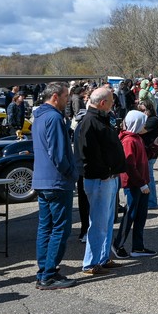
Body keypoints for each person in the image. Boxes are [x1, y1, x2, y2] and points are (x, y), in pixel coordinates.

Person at [32, 82, 80, 290]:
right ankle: (48, 274)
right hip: (56, 181)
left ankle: (44, 270)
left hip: (43, 180)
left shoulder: (39, 117)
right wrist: (72, 173)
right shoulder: (53, 117)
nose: (67, 100)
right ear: (54, 97)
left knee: (46, 227)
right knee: (60, 228)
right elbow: (58, 154)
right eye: (65, 96)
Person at [75, 86, 128, 273]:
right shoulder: (89, 122)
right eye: (112, 101)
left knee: (106, 221)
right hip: (100, 179)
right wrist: (105, 172)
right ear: (103, 103)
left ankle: (103, 258)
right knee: (97, 223)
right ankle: (90, 262)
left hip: (109, 177)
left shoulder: (101, 119)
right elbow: (86, 155)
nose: (114, 105)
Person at [113, 110, 154, 260]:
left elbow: (145, 156)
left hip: (141, 182)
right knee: (130, 214)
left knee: (141, 215)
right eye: (143, 122)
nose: (145, 125)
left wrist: (154, 146)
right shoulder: (129, 140)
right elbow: (129, 165)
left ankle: (138, 246)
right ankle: (118, 244)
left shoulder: (136, 138)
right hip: (134, 183)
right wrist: (142, 183)